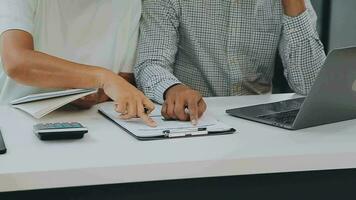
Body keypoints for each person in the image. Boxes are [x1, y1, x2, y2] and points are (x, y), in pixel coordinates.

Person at [135, 0, 326, 125]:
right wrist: (173, 89)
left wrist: (294, 6)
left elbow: (312, 87)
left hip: (260, 125)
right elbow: (151, 62)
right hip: (193, 120)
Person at [0, 0, 156, 126]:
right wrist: (103, 78)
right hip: (13, 118)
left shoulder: (129, 4)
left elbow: (126, 78)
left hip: (97, 122)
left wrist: (98, 94)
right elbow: (17, 62)